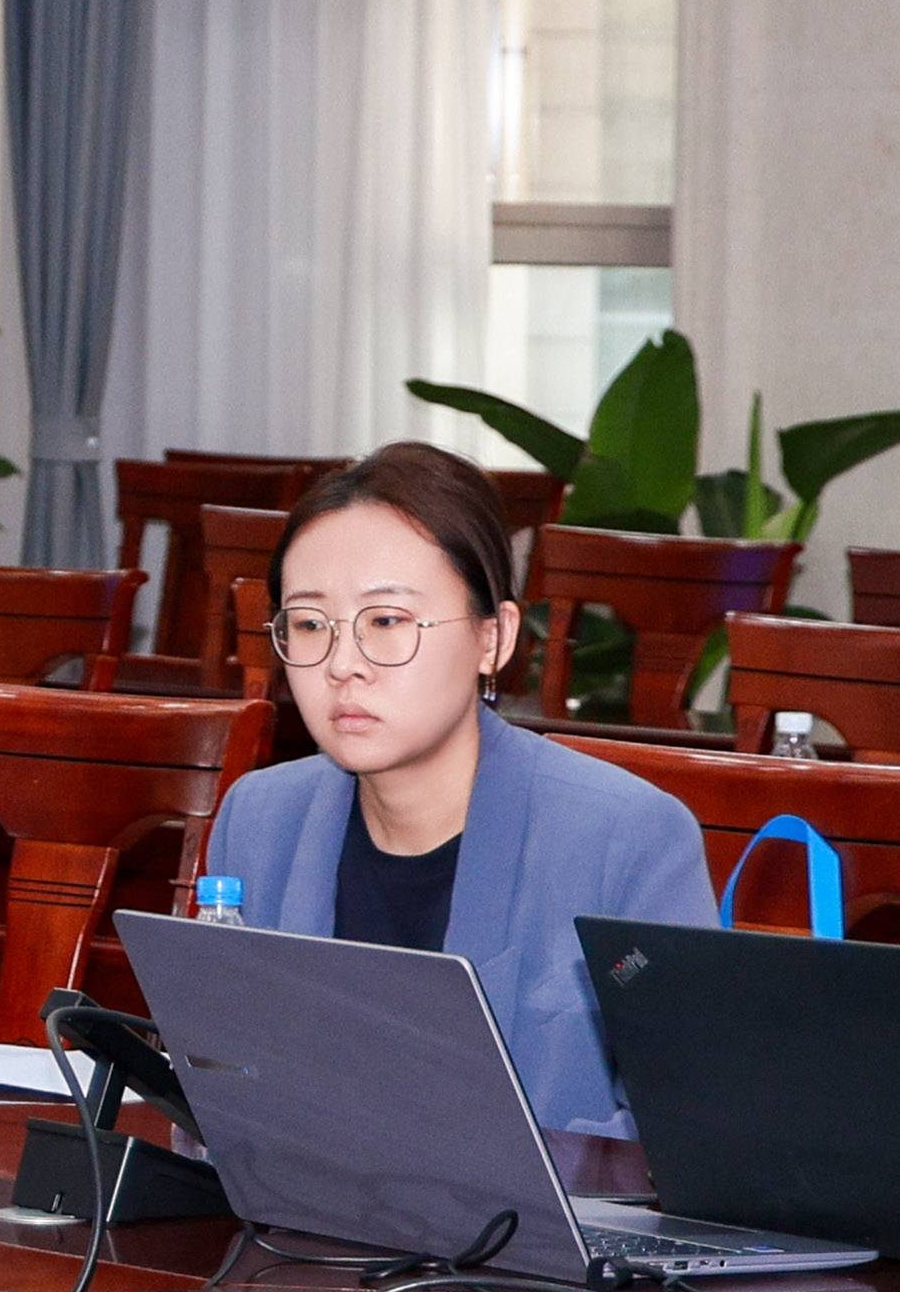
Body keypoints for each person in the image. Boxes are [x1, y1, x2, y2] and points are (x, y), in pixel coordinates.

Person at [193, 442, 717, 1131]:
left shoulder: (627, 839)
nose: (342, 664)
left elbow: (685, 1127)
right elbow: (224, 1088)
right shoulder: (260, 819)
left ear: (492, 639)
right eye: (310, 624)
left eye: (386, 621)